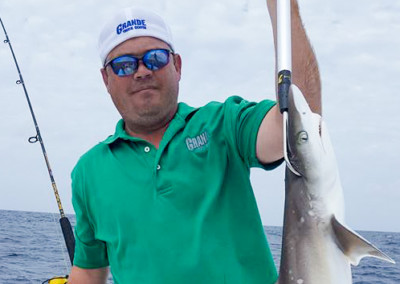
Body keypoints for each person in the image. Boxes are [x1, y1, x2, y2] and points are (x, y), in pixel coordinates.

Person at [68, 0, 321, 283]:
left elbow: (302, 122)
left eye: (155, 58)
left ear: (177, 65)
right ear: (106, 79)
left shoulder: (224, 124)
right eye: (124, 65)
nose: (141, 71)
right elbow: (89, 271)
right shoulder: (88, 171)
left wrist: (282, 7)